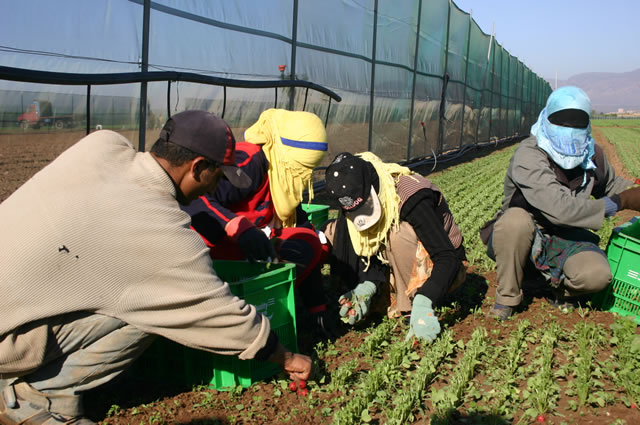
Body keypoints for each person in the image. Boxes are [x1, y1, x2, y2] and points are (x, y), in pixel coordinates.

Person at [0, 110, 311, 425]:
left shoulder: (101, 145)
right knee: (152, 304)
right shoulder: (161, 230)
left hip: (15, 301)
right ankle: (38, 397)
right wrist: (286, 357)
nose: (213, 189)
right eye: (217, 177)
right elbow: (219, 313)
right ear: (198, 168)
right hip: (6, 342)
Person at [480, 86, 640, 320]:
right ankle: (507, 298)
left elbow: (611, 184)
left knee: (596, 275)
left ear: (587, 124)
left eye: (577, 123)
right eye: (562, 121)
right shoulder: (530, 154)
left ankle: (558, 290)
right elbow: (560, 209)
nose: (569, 129)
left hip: (567, 235)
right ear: (547, 118)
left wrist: (632, 191)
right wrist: (620, 202)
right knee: (514, 221)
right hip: (525, 233)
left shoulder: (592, 154)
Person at [181, 108, 334, 337]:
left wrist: (318, 308)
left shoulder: (284, 174)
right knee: (303, 244)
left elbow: (300, 223)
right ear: (285, 151)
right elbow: (193, 199)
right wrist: (239, 228)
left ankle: (266, 304)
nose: (302, 174)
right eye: (300, 166)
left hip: (246, 251)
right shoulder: (248, 162)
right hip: (208, 253)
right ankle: (247, 308)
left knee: (310, 241)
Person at [322, 151, 467, 342]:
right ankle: (379, 290)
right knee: (334, 232)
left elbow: (447, 258)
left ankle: (412, 303)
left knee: (397, 233)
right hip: (391, 262)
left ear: (373, 186)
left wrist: (425, 301)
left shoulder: (411, 196)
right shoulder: (350, 194)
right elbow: (365, 243)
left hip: (444, 268)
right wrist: (367, 284)